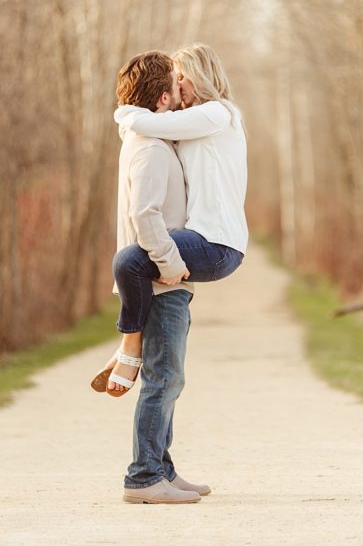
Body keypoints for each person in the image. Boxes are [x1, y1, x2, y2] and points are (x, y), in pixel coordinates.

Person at [91, 43, 247, 399]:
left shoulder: (218, 113)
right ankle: (130, 344)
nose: (178, 85)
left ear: (200, 75)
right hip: (198, 235)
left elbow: (145, 121)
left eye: (182, 77)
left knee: (130, 261)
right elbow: (148, 135)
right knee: (133, 261)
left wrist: (122, 112)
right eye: (173, 79)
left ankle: (129, 343)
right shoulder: (187, 126)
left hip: (218, 242)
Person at [93, 51, 205, 504]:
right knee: (165, 378)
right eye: (175, 87)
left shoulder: (146, 141)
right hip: (161, 280)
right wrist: (171, 262)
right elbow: (145, 215)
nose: (180, 94)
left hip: (157, 278)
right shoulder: (153, 149)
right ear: (161, 98)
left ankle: (162, 466)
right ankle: (142, 478)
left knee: (167, 376)